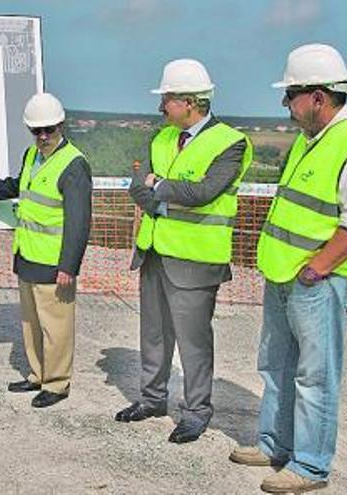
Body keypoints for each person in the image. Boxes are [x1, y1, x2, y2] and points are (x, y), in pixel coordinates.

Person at [229, 44, 347, 494]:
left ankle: (310, 466)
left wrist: (316, 270)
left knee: (315, 377)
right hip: (286, 275)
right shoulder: (310, 141)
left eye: (291, 95)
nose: (285, 104)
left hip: (320, 282)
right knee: (276, 365)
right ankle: (273, 444)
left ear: (318, 97)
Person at [117, 59, 252, 443]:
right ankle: (152, 399)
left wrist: (159, 187)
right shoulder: (161, 138)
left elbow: (206, 193)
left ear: (190, 101)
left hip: (196, 260)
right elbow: (137, 188)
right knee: (154, 335)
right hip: (155, 253)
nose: (161, 107)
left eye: (168, 100)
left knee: (193, 342)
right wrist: (162, 193)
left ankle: (195, 412)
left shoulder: (231, 143)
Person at [0, 92, 92, 408]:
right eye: (37, 131)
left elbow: (79, 222)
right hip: (28, 254)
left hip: (54, 262)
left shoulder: (74, 165)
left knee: (56, 327)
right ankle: (37, 376)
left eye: (49, 130)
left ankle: (57, 384)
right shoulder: (32, 155)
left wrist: (68, 267)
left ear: (61, 125)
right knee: (31, 323)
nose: (43, 136)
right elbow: (16, 186)